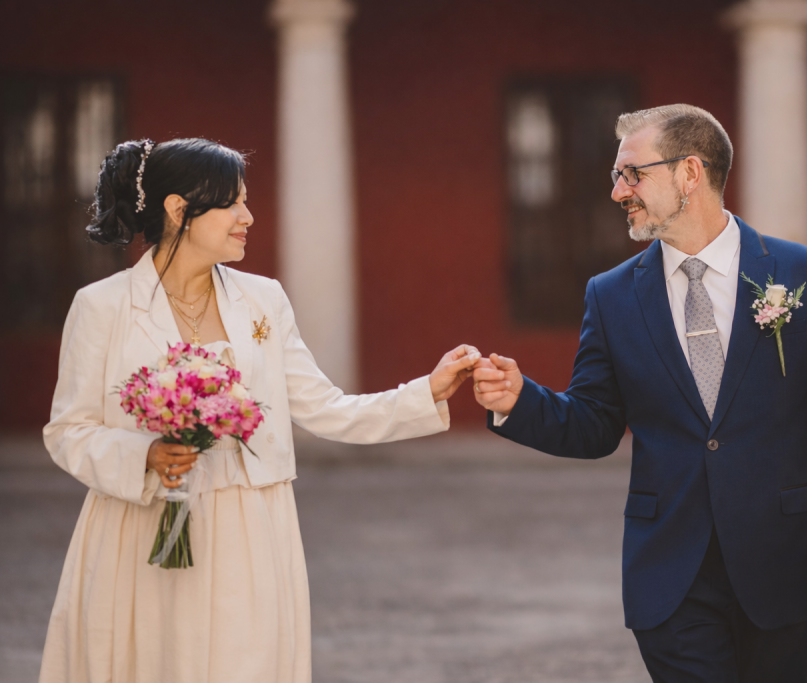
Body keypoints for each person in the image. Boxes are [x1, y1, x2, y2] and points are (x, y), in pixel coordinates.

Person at [472, 104, 807, 682]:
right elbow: (595, 424)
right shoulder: (612, 294)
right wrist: (519, 401)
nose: (619, 191)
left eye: (633, 174)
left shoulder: (806, 276)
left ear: (690, 173)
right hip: (670, 573)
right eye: (617, 176)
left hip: (783, 562)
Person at [39, 137, 479, 683]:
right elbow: (68, 430)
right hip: (140, 524)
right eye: (232, 203)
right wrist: (144, 453)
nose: (248, 216)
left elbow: (326, 408)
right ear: (178, 210)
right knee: (149, 661)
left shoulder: (264, 300)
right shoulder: (101, 306)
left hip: (252, 528)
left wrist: (427, 391)